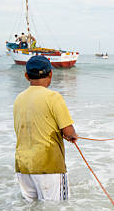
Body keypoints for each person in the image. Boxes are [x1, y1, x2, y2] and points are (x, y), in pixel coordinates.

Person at [13, 55, 79, 201]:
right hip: (48, 166)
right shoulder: (53, 97)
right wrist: (72, 135)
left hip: (23, 166)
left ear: (26, 76)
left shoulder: (18, 99)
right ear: (50, 74)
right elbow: (68, 131)